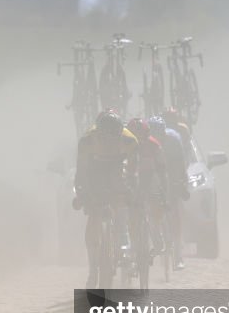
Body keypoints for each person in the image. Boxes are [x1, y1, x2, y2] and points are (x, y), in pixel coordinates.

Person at [74, 109, 138, 288]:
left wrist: (131, 190)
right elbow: (81, 173)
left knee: (121, 202)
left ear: (120, 135)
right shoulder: (87, 142)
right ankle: (93, 270)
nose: (109, 142)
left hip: (117, 169)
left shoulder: (130, 141)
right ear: (97, 134)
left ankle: (123, 239)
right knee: (93, 215)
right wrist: (81, 194)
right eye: (105, 138)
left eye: (113, 139)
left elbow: (132, 171)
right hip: (95, 171)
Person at [149, 116, 189, 271]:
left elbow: (181, 162)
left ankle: (178, 256)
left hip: (172, 173)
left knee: (175, 214)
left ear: (164, 133)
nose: (157, 138)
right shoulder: (147, 142)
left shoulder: (173, 139)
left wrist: (183, 183)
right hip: (155, 175)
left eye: (160, 135)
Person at [126, 117, 168, 261]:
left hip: (149, 178)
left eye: (141, 137)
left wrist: (164, 192)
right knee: (131, 211)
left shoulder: (154, 145)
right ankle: (132, 243)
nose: (138, 141)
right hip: (131, 179)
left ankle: (157, 237)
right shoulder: (123, 143)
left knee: (155, 205)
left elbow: (162, 170)